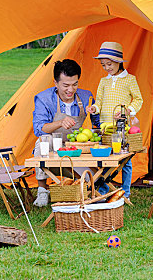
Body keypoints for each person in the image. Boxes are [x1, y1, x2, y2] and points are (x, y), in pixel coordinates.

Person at [32, 59, 99, 207]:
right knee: (43, 140)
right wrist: (60, 123)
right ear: (56, 83)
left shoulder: (85, 96)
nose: (71, 89)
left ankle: (80, 187)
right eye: (66, 85)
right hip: (53, 150)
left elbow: (97, 122)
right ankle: (42, 190)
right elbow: (38, 128)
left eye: (75, 84)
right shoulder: (44, 99)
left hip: (76, 151)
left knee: (94, 179)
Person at [86, 41, 143, 199]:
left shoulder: (130, 79)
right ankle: (103, 189)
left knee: (124, 160)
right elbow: (99, 101)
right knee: (104, 157)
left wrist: (126, 111)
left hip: (121, 126)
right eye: (104, 65)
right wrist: (94, 109)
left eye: (109, 64)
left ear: (119, 62)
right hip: (105, 126)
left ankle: (125, 191)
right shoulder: (104, 81)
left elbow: (138, 99)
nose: (107, 68)